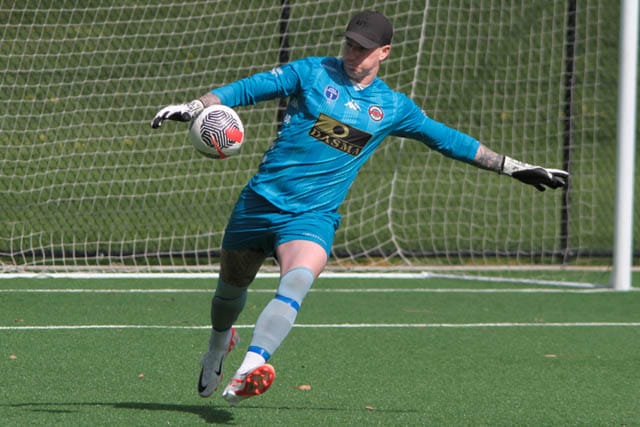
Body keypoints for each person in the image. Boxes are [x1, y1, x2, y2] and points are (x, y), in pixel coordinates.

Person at [151, 10, 568, 405]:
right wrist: (197, 106)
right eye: (350, 44)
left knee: (297, 281)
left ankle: (250, 369)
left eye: (363, 48)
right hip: (259, 203)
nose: (353, 54)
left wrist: (512, 167)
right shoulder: (313, 72)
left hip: (312, 216)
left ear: (384, 52)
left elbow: (448, 139)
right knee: (229, 293)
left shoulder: (392, 107)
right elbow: (247, 89)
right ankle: (218, 345)